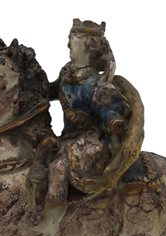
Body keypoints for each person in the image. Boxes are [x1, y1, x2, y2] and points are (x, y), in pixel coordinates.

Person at [46, 19, 131, 205]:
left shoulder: (95, 85)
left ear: (89, 46)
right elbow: (52, 91)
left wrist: (113, 120)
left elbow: (110, 109)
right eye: (70, 39)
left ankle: (53, 215)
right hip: (68, 138)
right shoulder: (67, 71)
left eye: (73, 40)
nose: (68, 45)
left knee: (58, 168)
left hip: (93, 140)